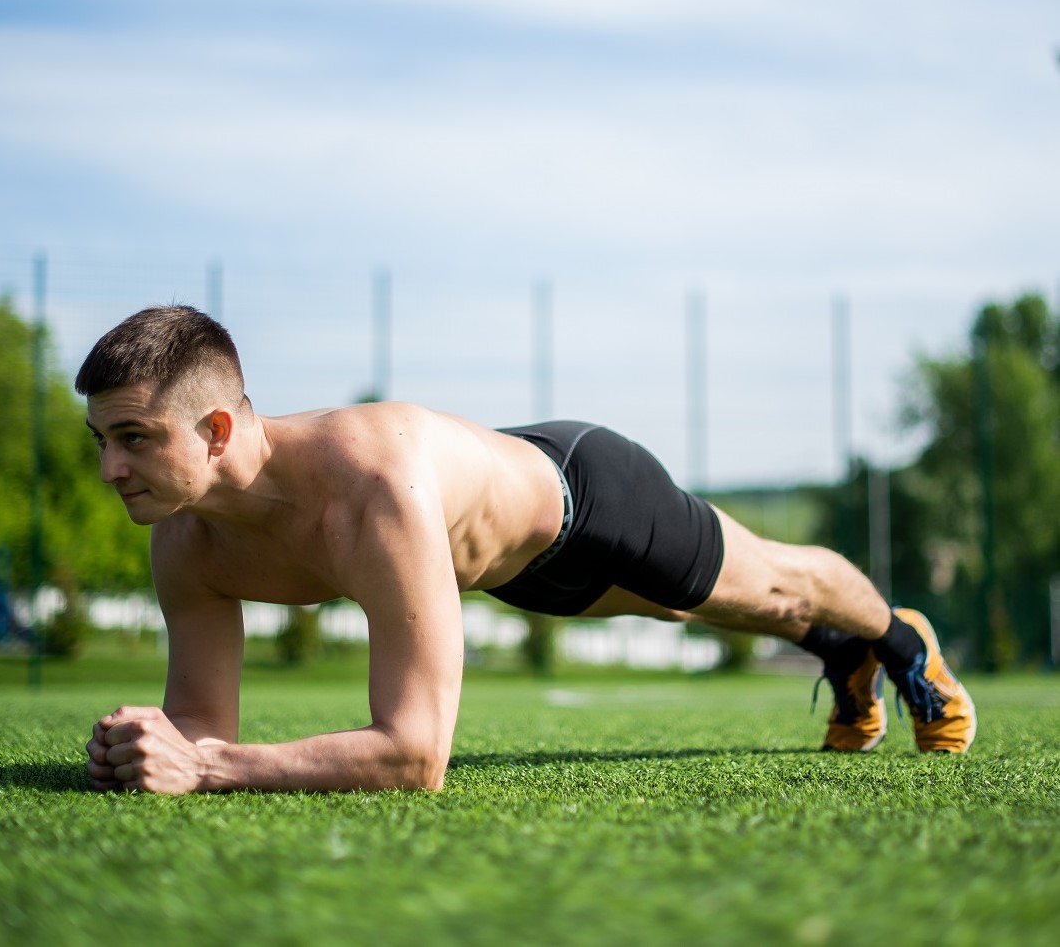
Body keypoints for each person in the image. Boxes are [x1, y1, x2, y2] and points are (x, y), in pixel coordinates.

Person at [80, 306, 976, 795]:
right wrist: (149, 747)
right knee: (692, 608)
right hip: (516, 570)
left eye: (135, 437)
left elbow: (414, 756)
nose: (113, 467)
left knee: (771, 587)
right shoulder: (186, 540)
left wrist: (207, 766)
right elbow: (200, 732)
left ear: (217, 426)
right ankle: (839, 652)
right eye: (100, 442)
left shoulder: (375, 489)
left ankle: (900, 645)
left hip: (589, 497)